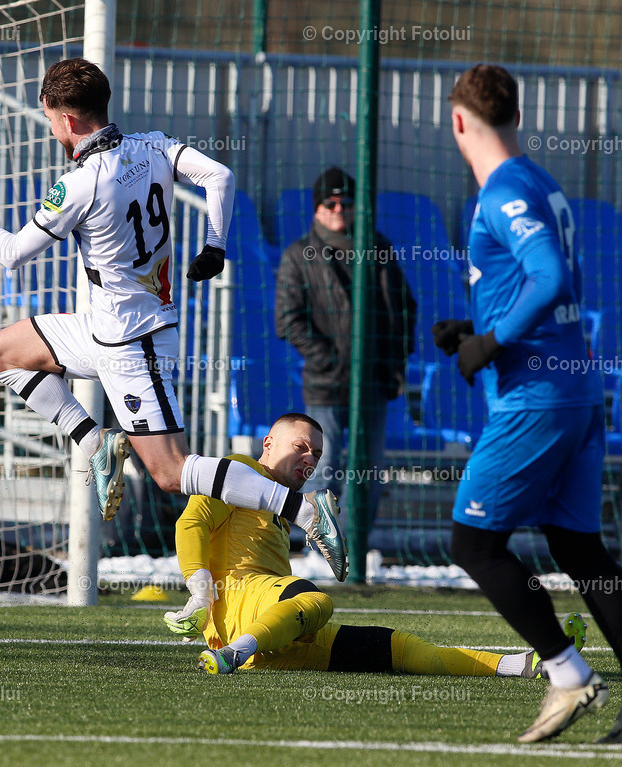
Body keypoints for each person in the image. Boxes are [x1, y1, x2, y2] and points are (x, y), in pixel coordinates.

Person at [0, 58, 347, 580]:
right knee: (2, 352)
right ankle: (93, 439)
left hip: (135, 343)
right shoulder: (152, 145)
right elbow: (219, 175)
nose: (51, 128)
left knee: (172, 472)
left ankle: (307, 511)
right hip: (101, 329)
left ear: (66, 118)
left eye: (50, 118)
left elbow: (13, 253)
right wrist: (214, 245)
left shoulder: (80, 183)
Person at [436, 63, 622, 744]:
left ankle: (569, 673)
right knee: (580, 547)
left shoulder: (505, 186)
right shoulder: (540, 177)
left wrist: (495, 338)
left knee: (473, 541)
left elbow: (548, 275)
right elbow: (532, 279)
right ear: (519, 113)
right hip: (574, 388)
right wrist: (473, 328)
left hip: (537, 396)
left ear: (459, 122)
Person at [162, 412, 587, 678]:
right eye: (301, 447)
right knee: (316, 600)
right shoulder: (238, 470)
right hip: (239, 603)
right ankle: (236, 653)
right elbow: (192, 521)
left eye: (316, 453)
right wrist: (200, 590)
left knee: (397, 647)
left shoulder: (277, 498)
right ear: (267, 444)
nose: (310, 458)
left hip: (274, 634)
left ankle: (519, 665)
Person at [275, 167, 416, 526]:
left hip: (374, 379)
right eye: (330, 202)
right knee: (322, 467)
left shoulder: (378, 248)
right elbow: (288, 321)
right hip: (327, 384)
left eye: (347, 201)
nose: (339, 208)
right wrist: (335, 363)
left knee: (368, 471)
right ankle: (321, 548)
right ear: (317, 207)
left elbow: (405, 309)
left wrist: (394, 362)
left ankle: (356, 548)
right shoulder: (297, 256)